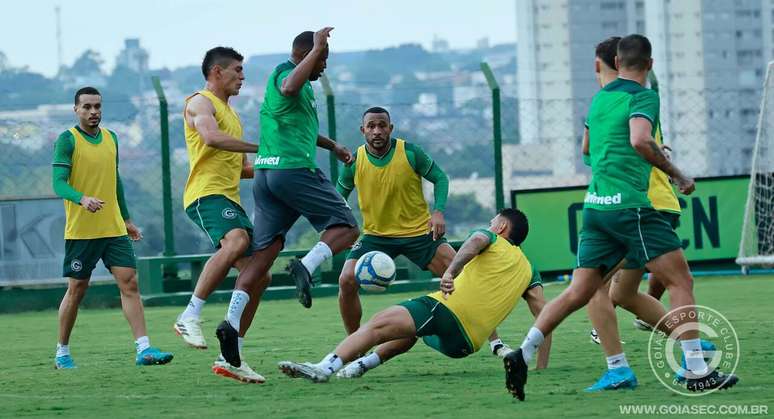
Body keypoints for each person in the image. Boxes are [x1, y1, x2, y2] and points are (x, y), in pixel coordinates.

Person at [504, 34, 738, 401]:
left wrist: (613, 167)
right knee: (681, 281)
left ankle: (524, 350)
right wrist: (677, 173)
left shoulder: (599, 99)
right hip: (631, 207)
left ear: (612, 61)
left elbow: (587, 149)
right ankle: (695, 370)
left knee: (581, 290)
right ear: (650, 64)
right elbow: (639, 140)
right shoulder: (643, 96)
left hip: (597, 206)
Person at [337, 106, 551, 367]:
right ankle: (355, 345)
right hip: (375, 235)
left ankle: (495, 343)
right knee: (346, 279)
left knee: (462, 273)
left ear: (391, 128)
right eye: (371, 126)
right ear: (363, 131)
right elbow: (340, 197)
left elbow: (440, 177)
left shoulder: (411, 152)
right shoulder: (354, 162)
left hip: (418, 232)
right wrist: (343, 223)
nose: (377, 130)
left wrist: (437, 212)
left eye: (382, 125)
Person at [216, 28, 359, 368]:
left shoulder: (300, 87)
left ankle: (231, 324)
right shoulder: (285, 73)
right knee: (347, 228)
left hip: (266, 175)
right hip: (292, 171)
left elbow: (300, 125)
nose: (323, 66)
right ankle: (306, 267)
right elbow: (289, 85)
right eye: (322, 59)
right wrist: (317, 49)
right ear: (305, 54)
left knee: (261, 258)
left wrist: (333, 146)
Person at [277, 209, 536, 382]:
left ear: (501, 227)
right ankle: (362, 365)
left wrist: (450, 272)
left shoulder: (490, 236)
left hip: (447, 313)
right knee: (412, 329)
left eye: (493, 222)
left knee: (379, 323)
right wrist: (540, 362)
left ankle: (325, 368)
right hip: (465, 345)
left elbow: (475, 241)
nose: (489, 225)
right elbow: (544, 310)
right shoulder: (528, 268)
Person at [583, 36, 684, 392]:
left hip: (636, 206)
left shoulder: (610, 101)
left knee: (594, 288)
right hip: (653, 203)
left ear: (603, 63)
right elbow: (639, 144)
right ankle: (693, 344)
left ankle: (621, 366)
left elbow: (609, 149)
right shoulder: (633, 98)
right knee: (624, 293)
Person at [52, 87, 173, 369]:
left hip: (114, 228)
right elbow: (57, 183)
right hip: (82, 231)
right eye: (87, 107)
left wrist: (127, 219)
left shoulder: (112, 138)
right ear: (76, 110)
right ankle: (62, 352)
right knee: (77, 290)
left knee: (130, 283)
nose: (93, 112)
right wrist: (81, 198)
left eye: (97, 106)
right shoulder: (66, 140)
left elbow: (114, 180)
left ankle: (144, 350)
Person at [174, 47, 269, 383]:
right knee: (237, 239)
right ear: (217, 71)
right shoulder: (200, 102)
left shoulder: (232, 115)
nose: (243, 77)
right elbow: (212, 139)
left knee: (259, 275)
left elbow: (241, 168)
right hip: (205, 195)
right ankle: (190, 315)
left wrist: (279, 164)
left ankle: (231, 357)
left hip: (228, 199)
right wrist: (264, 147)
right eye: (238, 71)